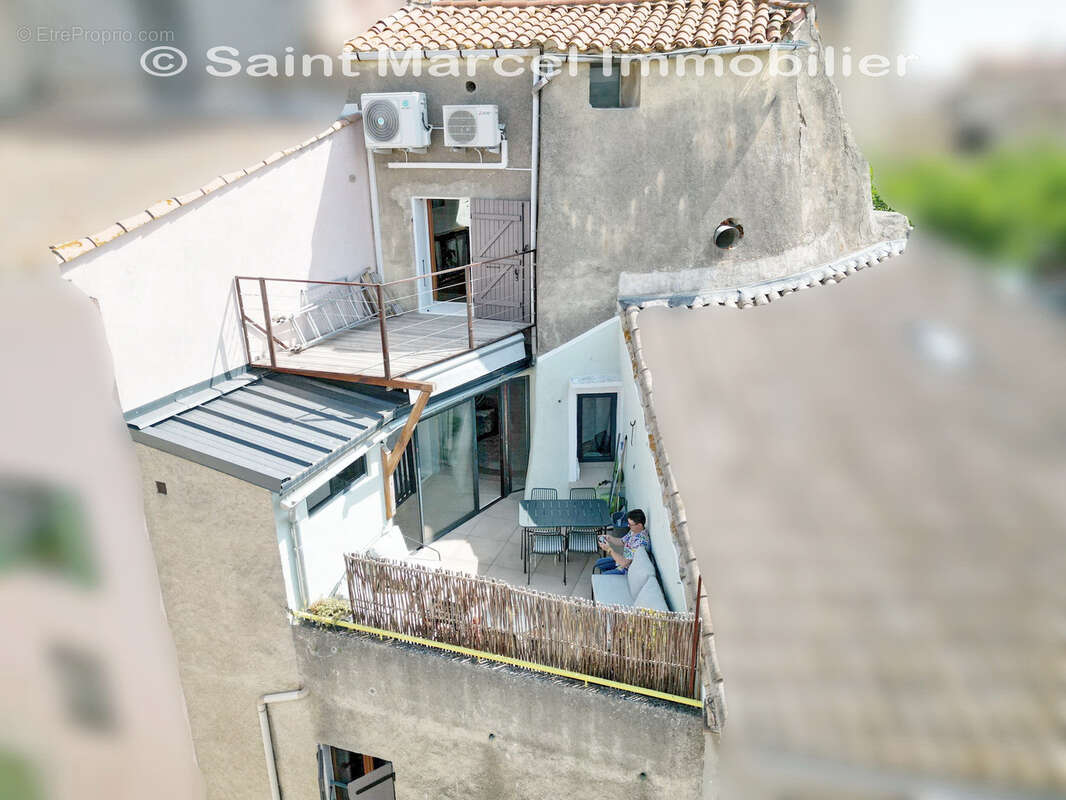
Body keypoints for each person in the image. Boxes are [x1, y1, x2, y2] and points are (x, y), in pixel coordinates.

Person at [594, 509, 648, 575]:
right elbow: (621, 541)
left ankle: (612, 574)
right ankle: (611, 573)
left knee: (603, 576)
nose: (628, 526)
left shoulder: (640, 542)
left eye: (630, 524)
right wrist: (609, 538)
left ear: (639, 525)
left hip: (626, 569)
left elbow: (624, 563)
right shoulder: (634, 531)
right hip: (622, 561)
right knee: (599, 563)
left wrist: (609, 549)